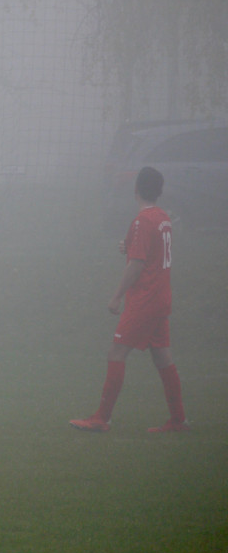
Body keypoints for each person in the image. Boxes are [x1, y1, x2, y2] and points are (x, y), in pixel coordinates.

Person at [70, 167, 189, 434]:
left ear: (136, 189)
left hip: (145, 297)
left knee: (117, 351)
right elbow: (152, 250)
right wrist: (130, 246)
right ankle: (179, 420)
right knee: (162, 356)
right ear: (159, 191)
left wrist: (116, 296)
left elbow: (137, 264)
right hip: (161, 296)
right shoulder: (163, 218)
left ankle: (102, 418)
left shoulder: (142, 221)